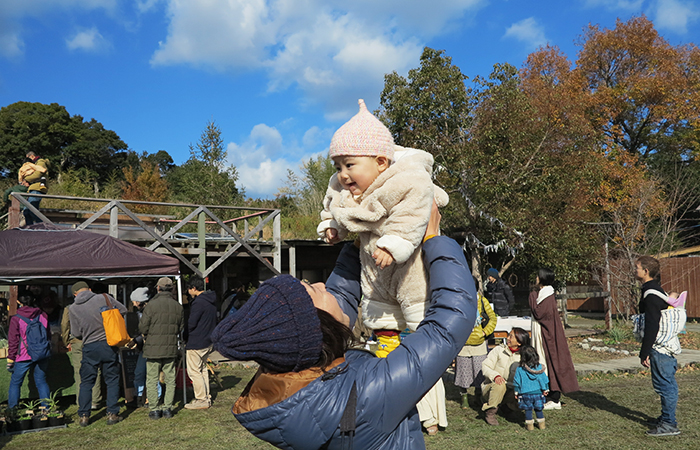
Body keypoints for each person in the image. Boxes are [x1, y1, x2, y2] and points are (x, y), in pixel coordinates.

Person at [212, 202, 478, 449]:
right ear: (319, 329)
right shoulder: (369, 394)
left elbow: (338, 298)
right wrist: (435, 239)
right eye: (314, 292)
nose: (319, 284)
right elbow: (448, 323)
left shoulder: (291, 375)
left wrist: (359, 243)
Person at [317, 99, 449, 336]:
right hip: (373, 267)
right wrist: (332, 225)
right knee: (381, 318)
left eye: (349, 165)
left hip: (409, 263)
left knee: (418, 313)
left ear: (380, 163)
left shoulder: (405, 179)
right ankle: (386, 351)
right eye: (337, 167)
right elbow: (334, 202)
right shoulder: (343, 186)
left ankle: (426, 357)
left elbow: (414, 207)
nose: (343, 175)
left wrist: (394, 241)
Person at [68, 281, 127, 426]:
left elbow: (75, 333)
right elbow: (124, 310)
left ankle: (84, 416)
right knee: (112, 380)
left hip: (89, 346)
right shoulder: (104, 298)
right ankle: (113, 414)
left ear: (75, 294)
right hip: (109, 344)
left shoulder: (73, 308)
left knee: (86, 382)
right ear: (89, 289)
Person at [636, 256, 682, 437]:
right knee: (664, 383)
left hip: (661, 348)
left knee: (665, 385)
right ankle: (665, 418)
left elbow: (652, 325)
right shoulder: (654, 289)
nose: (635, 270)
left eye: (637, 267)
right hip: (662, 347)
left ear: (646, 271)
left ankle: (670, 424)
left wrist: (644, 352)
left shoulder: (652, 293)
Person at [529, 268, 579, 410]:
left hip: (547, 335)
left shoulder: (546, 295)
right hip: (543, 333)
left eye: (538, 276)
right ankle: (547, 395)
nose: (536, 279)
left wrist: (532, 296)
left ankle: (554, 398)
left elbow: (540, 313)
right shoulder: (543, 294)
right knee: (544, 362)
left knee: (551, 362)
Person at [140, 277, 184, 420]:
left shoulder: (151, 305)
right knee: (170, 378)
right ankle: (167, 409)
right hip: (170, 346)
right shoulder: (178, 306)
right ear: (172, 289)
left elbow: (143, 327)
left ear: (158, 288)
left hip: (153, 348)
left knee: (152, 379)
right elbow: (181, 328)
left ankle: (154, 409)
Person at [455, 282, 497, 408]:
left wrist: (485, 332)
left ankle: (479, 396)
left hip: (479, 345)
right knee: (463, 373)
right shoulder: (458, 301)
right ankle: (464, 398)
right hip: (463, 345)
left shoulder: (482, 301)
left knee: (480, 373)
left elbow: (493, 318)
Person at [6, 290, 51, 409]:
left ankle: (12, 408)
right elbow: (48, 335)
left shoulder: (16, 319)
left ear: (18, 301)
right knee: (41, 381)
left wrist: (11, 358)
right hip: (42, 353)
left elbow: (13, 341)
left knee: (16, 383)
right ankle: (46, 408)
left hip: (23, 355)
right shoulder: (43, 315)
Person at [480, 327, 530, 426]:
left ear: (519, 342)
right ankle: (490, 411)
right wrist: (495, 376)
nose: (507, 338)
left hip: (511, 389)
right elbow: (485, 366)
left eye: (511, 336)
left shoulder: (525, 355)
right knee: (500, 384)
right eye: (508, 335)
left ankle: (509, 407)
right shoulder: (499, 350)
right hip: (492, 388)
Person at [61, 300, 103, 409]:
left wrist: (66, 341)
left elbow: (64, 325)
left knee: (79, 371)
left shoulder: (69, 308)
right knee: (95, 369)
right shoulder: (94, 305)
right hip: (93, 340)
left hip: (76, 342)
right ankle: (95, 400)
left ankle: (81, 401)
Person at [184, 276, 218, 410]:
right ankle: (206, 395)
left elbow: (192, 322)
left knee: (194, 371)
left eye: (188, 289)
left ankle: (201, 399)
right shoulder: (211, 300)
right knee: (202, 369)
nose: (187, 291)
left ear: (194, 288)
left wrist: (185, 334)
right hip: (208, 339)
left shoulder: (198, 303)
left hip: (197, 341)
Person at [513, 345, 549, 431]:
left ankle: (530, 426)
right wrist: (546, 389)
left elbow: (516, 381)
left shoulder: (520, 369)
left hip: (525, 393)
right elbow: (545, 380)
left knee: (528, 409)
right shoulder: (540, 368)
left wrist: (516, 392)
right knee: (538, 408)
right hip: (538, 393)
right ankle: (541, 425)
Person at [22, 151, 49, 225]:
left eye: (28, 158)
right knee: (27, 211)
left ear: (32, 156)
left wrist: (26, 179)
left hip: (37, 188)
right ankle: (30, 229)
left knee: (32, 210)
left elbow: (38, 174)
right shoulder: (33, 165)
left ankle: (43, 227)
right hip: (32, 188)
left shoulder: (40, 162)